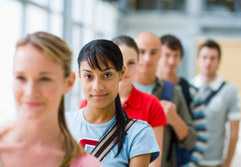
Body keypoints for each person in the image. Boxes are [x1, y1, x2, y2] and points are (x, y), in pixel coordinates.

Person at [0, 32, 100, 167]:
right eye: (21, 78)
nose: (30, 92)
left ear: (69, 82)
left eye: (44, 79)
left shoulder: (85, 165)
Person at [66, 39, 159, 167]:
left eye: (107, 75)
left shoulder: (138, 133)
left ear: (121, 74)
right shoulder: (63, 124)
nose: (97, 86)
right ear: (79, 77)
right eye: (89, 76)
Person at [134, 32, 196, 167]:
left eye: (153, 52)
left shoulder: (174, 92)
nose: (147, 58)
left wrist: (174, 119)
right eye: (142, 52)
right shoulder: (120, 91)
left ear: (159, 55)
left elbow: (191, 141)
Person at [158, 34, 208, 166]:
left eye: (176, 56)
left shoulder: (192, 92)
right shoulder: (150, 89)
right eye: (167, 55)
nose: (172, 61)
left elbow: (201, 135)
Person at [191, 39, 241, 167]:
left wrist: (228, 162)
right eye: (204, 57)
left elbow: (234, 133)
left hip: (214, 162)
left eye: (213, 58)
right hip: (189, 161)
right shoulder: (187, 88)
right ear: (198, 60)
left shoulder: (230, 91)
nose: (208, 62)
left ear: (219, 61)